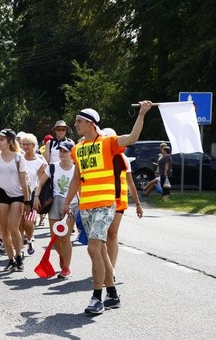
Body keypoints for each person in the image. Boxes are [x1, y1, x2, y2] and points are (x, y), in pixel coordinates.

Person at [62, 102, 153, 315]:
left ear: (91, 124)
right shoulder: (77, 149)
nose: (75, 124)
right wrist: (67, 202)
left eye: (79, 121)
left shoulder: (108, 142)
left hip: (105, 204)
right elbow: (77, 177)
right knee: (101, 250)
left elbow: (132, 138)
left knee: (92, 248)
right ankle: (112, 294)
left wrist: (141, 114)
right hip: (86, 205)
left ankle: (97, 297)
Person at [101, 128, 143, 277]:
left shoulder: (123, 158)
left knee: (112, 234)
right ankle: (104, 265)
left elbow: (130, 183)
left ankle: (111, 269)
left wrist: (137, 204)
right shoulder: (99, 157)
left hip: (118, 201)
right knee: (101, 236)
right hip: (101, 200)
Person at [0, 129, 30, 272]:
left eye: (2, 139)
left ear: (10, 141)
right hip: (2, 194)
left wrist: (27, 201)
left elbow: (24, 182)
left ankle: (19, 256)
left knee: (13, 227)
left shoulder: (19, 158)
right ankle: (11, 259)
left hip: (17, 195)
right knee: (4, 229)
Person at [35, 141, 78, 278]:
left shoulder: (77, 169)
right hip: (55, 203)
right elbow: (40, 183)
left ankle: (66, 267)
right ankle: (62, 255)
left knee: (65, 237)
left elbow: (81, 189)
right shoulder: (52, 167)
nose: (61, 153)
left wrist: (82, 205)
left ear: (72, 153)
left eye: (65, 151)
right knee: (55, 238)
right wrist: (36, 196)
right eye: (60, 151)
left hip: (71, 204)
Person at [20, 133, 47, 255]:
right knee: (19, 222)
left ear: (34, 146)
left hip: (32, 194)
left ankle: (30, 239)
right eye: (23, 144)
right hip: (18, 193)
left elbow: (41, 181)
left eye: (28, 144)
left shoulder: (39, 161)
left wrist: (38, 197)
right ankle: (19, 249)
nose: (25, 147)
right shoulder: (19, 158)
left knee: (28, 222)